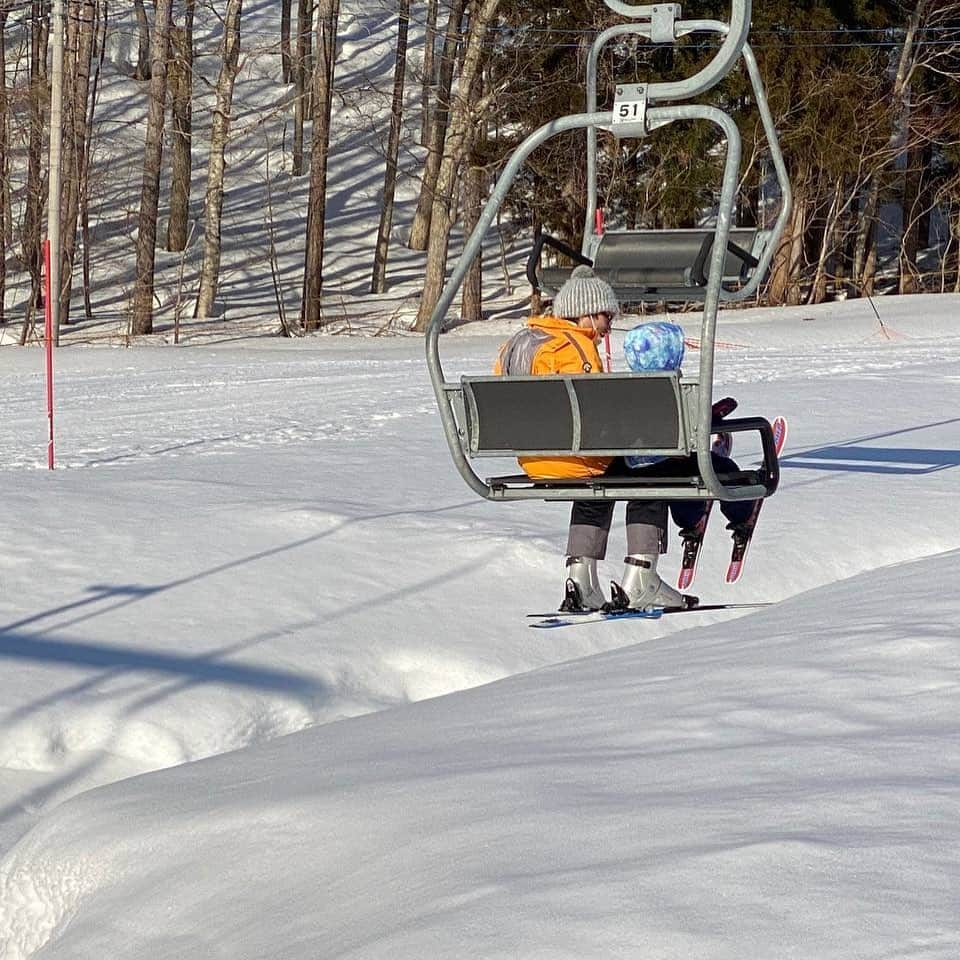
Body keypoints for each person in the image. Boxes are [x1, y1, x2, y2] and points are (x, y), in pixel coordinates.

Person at [495, 265, 686, 613]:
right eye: (605, 318)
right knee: (651, 468)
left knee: (596, 481)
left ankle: (580, 580)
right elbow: (593, 417)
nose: (607, 328)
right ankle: (642, 576)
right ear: (585, 313)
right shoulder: (575, 348)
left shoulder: (518, 342)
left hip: (535, 460)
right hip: (571, 457)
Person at [621, 320, 758, 545]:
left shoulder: (624, 390)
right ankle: (742, 511)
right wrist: (714, 415)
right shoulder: (676, 389)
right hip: (675, 463)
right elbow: (693, 425)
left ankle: (690, 521)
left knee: (678, 484)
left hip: (637, 468)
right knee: (720, 469)